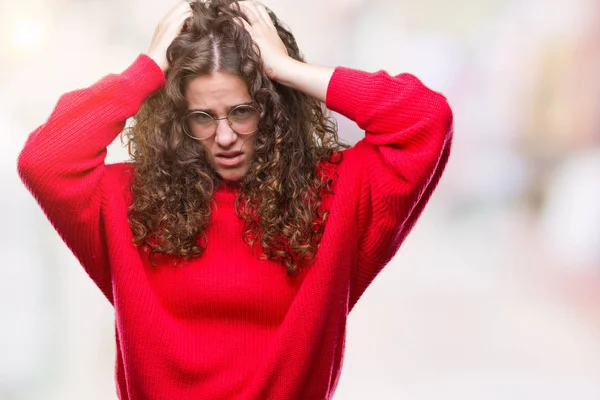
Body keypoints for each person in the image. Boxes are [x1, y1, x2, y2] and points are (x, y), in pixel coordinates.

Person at [17, 0, 453, 398]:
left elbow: (426, 119)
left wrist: (285, 69)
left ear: (273, 105)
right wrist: (148, 69)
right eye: (202, 117)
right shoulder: (132, 203)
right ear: (176, 117)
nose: (225, 137)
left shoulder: (333, 196)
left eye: (243, 111)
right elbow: (44, 159)